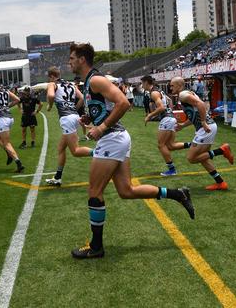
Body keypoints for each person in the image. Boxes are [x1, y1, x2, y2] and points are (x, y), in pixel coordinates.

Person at [69, 43, 194, 259]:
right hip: (116, 138)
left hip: (112, 139)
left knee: (94, 192)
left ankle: (96, 246)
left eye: (72, 58)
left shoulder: (97, 79)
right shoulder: (90, 81)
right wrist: (91, 119)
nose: (69, 62)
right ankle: (177, 194)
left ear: (82, 59)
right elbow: (106, 107)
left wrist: (102, 127)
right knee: (126, 191)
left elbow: (123, 103)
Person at [169, 76, 234, 191]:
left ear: (179, 85)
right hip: (207, 127)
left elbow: (201, 104)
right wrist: (183, 125)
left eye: (172, 85)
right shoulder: (188, 93)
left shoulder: (183, 95)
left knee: (191, 158)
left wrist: (203, 122)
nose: (170, 87)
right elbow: (194, 115)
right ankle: (221, 183)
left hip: (205, 128)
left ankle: (222, 150)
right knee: (202, 159)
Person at [44, 66, 93, 186]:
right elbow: (82, 98)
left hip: (67, 119)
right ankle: (58, 177)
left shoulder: (52, 84)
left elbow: (50, 96)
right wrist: (74, 109)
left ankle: (102, 152)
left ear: (51, 76)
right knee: (61, 148)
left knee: (75, 151)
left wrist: (50, 106)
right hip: (74, 116)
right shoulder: (71, 84)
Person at [141, 75, 191, 176]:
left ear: (146, 82)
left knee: (161, 145)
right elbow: (169, 101)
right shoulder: (158, 91)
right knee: (170, 146)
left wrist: (149, 116)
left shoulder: (154, 93)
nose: (142, 85)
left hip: (167, 119)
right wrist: (171, 112)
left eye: (142, 83)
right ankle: (193, 144)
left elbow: (162, 107)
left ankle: (172, 170)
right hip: (170, 118)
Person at [0, 74, 24, 173]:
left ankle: (18, 163)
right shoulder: (5, 90)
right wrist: (7, 106)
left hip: (2, 119)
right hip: (9, 118)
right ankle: (9, 153)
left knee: (6, 143)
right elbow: (18, 100)